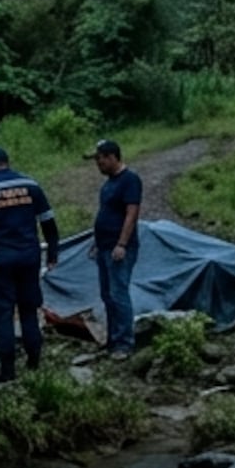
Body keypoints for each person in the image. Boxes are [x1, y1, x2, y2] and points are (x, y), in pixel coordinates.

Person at [0, 147, 59, 383]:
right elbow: (48, 221)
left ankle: (8, 371)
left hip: (0, 262)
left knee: (2, 313)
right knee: (28, 310)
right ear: (7, 162)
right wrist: (53, 253)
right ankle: (34, 363)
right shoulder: (31, 184)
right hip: (29, 257)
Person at [87, 139, 143, 359]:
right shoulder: (109, 183)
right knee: (107, 295)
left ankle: (124, 343)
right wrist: (97, 242)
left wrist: (122, 243)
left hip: (119, 248)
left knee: (119, 294)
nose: (98, 165)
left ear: (111, 157)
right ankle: (112, 339)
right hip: (104, 246)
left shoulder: (130, 180)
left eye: (100, 160)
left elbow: (132, 213)